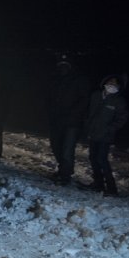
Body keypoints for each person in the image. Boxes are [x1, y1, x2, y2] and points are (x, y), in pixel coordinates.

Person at [46, 54, 90, 186]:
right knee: (56, 146)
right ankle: (63, 169)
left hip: (72, 122)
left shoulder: (79, 80)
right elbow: (48, 98)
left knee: (67, 149)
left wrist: (72, 114)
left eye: (65, 64)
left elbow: (84, 100)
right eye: (60, 64)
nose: (62, 67)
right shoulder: (55, 79)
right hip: (56, 120)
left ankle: (65, 176)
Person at [83, 74, 129, 196]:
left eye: (115, 83)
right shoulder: (96, 95)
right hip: (93, 133)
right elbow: (88, 111)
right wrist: (87, 124)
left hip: (106, 136)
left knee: (102, 160)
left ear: (119, 86)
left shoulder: (119, 101)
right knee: (93, 158)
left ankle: (112, 189)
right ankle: (98, 185)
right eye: (110, 82)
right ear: (105, 83)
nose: (112, 85)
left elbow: (122, 118)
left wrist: (110, 128)